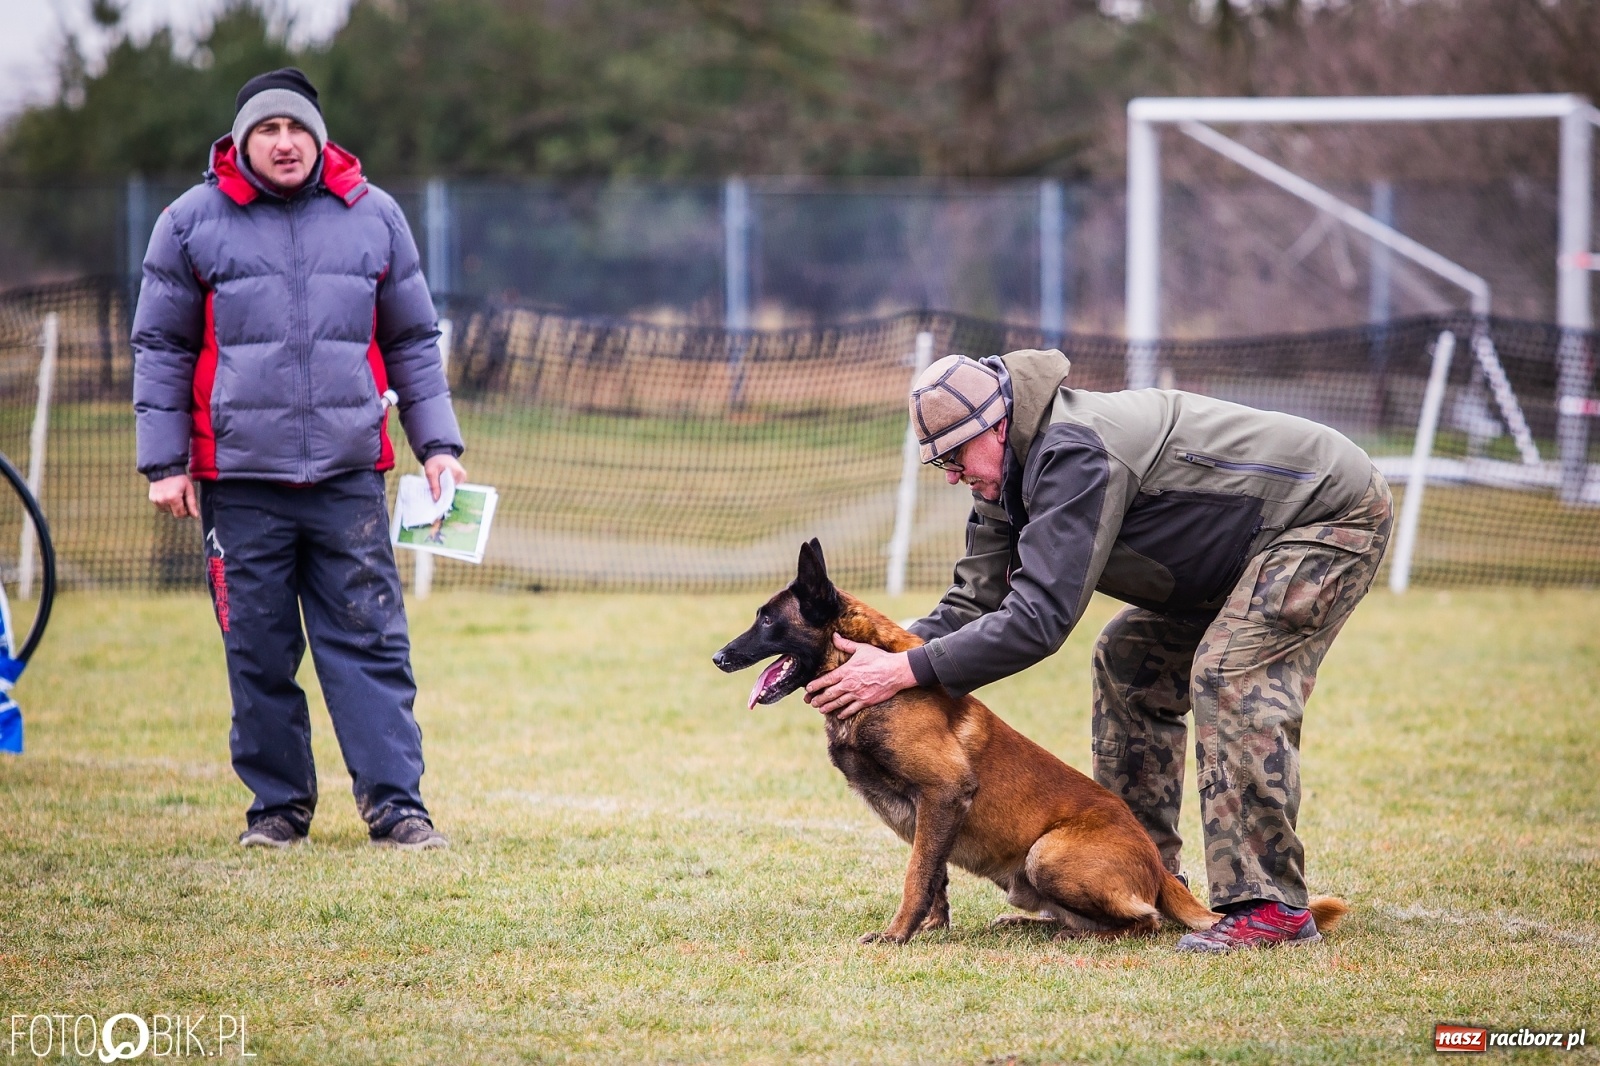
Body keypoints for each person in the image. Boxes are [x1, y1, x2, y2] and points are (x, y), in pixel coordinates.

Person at [805, 350, 1392, 952]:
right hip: (1237, 550)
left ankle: (1269, 907)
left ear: (997, 426)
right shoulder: (1004, 476)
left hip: (1325, 515)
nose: (952, 475)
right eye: (940, 463)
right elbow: (972, 600)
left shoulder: (1073, 453)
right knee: (1127, 659)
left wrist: (905, 669)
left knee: (1228, 672)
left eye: (955, 456)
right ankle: (1135, 874)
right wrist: (879, 654)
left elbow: (1038, 618)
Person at [132, 68, 466, 851]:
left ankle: (397, 809)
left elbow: (412, 340)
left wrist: (439, 445)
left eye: (296, 129)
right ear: (241, 141)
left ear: (318, 137)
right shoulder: (187, 223)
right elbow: (162, 346)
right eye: (267, 130)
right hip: (239, 484)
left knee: (372, 645)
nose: (284, 143)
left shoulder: (374, 214)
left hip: (350, 480)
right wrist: (164, 463)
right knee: (258, 652)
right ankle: (278, 811)